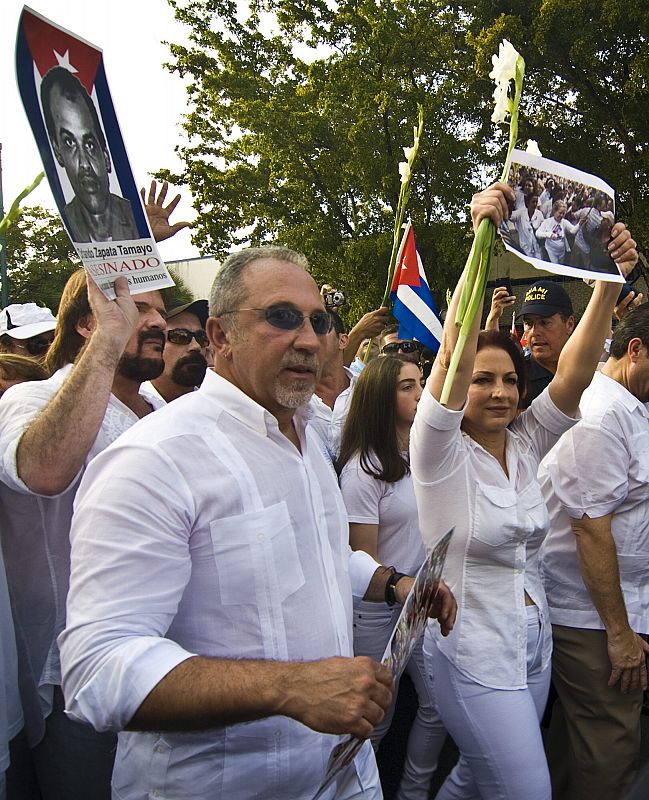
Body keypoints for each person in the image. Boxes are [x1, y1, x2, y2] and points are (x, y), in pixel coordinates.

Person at [58, 246, 455, 800]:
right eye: (282, 317)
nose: (310, 338)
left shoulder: (307, 440)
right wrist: (289, 688)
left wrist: (394, 584)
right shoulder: (156, 458)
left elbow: (318, 555)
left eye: (319, 321)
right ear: (219, 336)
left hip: (343, 775)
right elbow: (97, 670)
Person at [409, 181, 637, 800]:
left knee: (474, 778)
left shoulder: (528, 442)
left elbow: (575, 370)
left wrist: (608, 278)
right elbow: (453, 350)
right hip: (471, 654)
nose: (501, 392)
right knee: (527, 790)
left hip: (533, 652)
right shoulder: (438, 453)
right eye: (483, 381)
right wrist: (480, 240)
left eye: (510, 379)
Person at [0, 270, 167, 799]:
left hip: (168, 658)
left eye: (160, 310)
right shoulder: (30, 399)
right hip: (76, 674)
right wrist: (108, 341)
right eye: (139, 308)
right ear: (87, 322)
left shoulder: (161, 409)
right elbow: (43, 472)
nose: (159, 322)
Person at [539, 303, 649, 800]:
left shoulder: (627, 401)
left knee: (578, 739)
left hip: (611, 610)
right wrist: (620, 633)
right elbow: (589, 530)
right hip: (593, 619)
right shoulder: (601, 415)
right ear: (635, 349)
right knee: (610, 748)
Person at [338, 355, 448, 800]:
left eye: (420, 382)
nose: (421, 393)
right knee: (375, 719)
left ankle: (413, 791)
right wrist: (399, 585)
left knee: (438, 707)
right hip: (378, 612)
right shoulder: (363, 469)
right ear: (382, 398)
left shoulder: (425, 456)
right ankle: (353, 789)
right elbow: (361, 555)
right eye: (407, 386)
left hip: (421, 603)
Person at [40, 66, 139, 243]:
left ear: (106, 157)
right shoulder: (64, 229)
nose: (84, 164)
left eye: (90, 144)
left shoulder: (135, 220)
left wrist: (149, 236)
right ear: (57, 151)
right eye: (69, 143)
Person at [147, 299, 209, 403]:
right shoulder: (129, 409)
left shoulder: (215, 407)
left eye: (201, 337)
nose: (196, 346)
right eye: (181, 336)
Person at [509, 194, 544, 258]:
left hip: (538, 248)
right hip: (525, 248)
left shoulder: (539, 214)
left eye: (536, 202)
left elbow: (543, 228)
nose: (535, 204)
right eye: (533, 202)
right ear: (527, 203)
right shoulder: (521, 213)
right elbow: (510, 216)